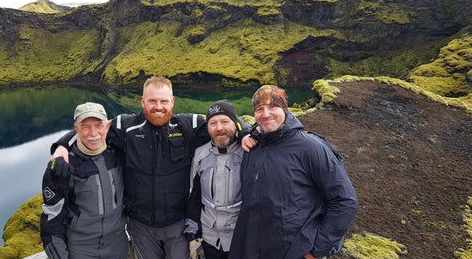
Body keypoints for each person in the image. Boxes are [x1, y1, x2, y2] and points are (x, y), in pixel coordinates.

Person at [50, 76, 223, 259]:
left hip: (178, 225)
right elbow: (92, 129)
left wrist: (245, 134)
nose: (158, 106)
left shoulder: (189, 125)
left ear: (172, 101)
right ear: (142, 101)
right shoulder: (125, 126)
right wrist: (61, 145)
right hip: (141, 227)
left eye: (164, 101)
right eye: (152, 101)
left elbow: (224, 122)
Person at [228, 85, 358, 259]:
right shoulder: (255, 145)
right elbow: (227, 125)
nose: (266, 114)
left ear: (285, 109)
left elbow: (345, 201)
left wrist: (317, 250)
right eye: (259, 109)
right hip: (253, 246)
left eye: (273, 107)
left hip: (294, 250)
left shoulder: (311, 147)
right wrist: (244, 134)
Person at [40, 102, 128, 259]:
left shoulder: (118, 151)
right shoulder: (63, 166)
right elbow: (51, 220)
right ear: (76, 129)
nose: (93, 133)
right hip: (81, 248)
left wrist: (61, 144)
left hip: (118, 244)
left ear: (107, 126)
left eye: (98, 125)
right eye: (85, 126)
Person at [183, 100, 247, 259]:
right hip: (209, 237)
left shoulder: (248, 152)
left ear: (235, 123)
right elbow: (194, 195)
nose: (219, 128)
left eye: (225, 121)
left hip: (241, 237)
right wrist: (193, 233)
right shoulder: (200, 154)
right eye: (213, 123)